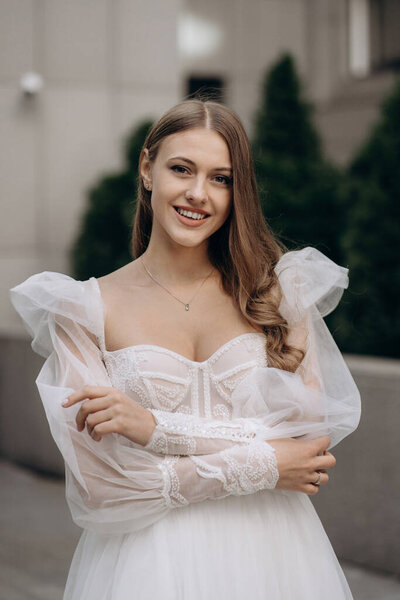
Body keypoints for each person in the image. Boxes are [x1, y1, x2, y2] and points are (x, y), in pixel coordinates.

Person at [10, 99, 361, 600]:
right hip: (145, 564)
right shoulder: (82, 309)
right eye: (182, 169)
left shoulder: (281, 292)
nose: (199, 194)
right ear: (147, 168)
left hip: (277, 558)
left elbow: (309, 446)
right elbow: (102, 489)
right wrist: (264, 463)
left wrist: (154, 430)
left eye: (222, 178)